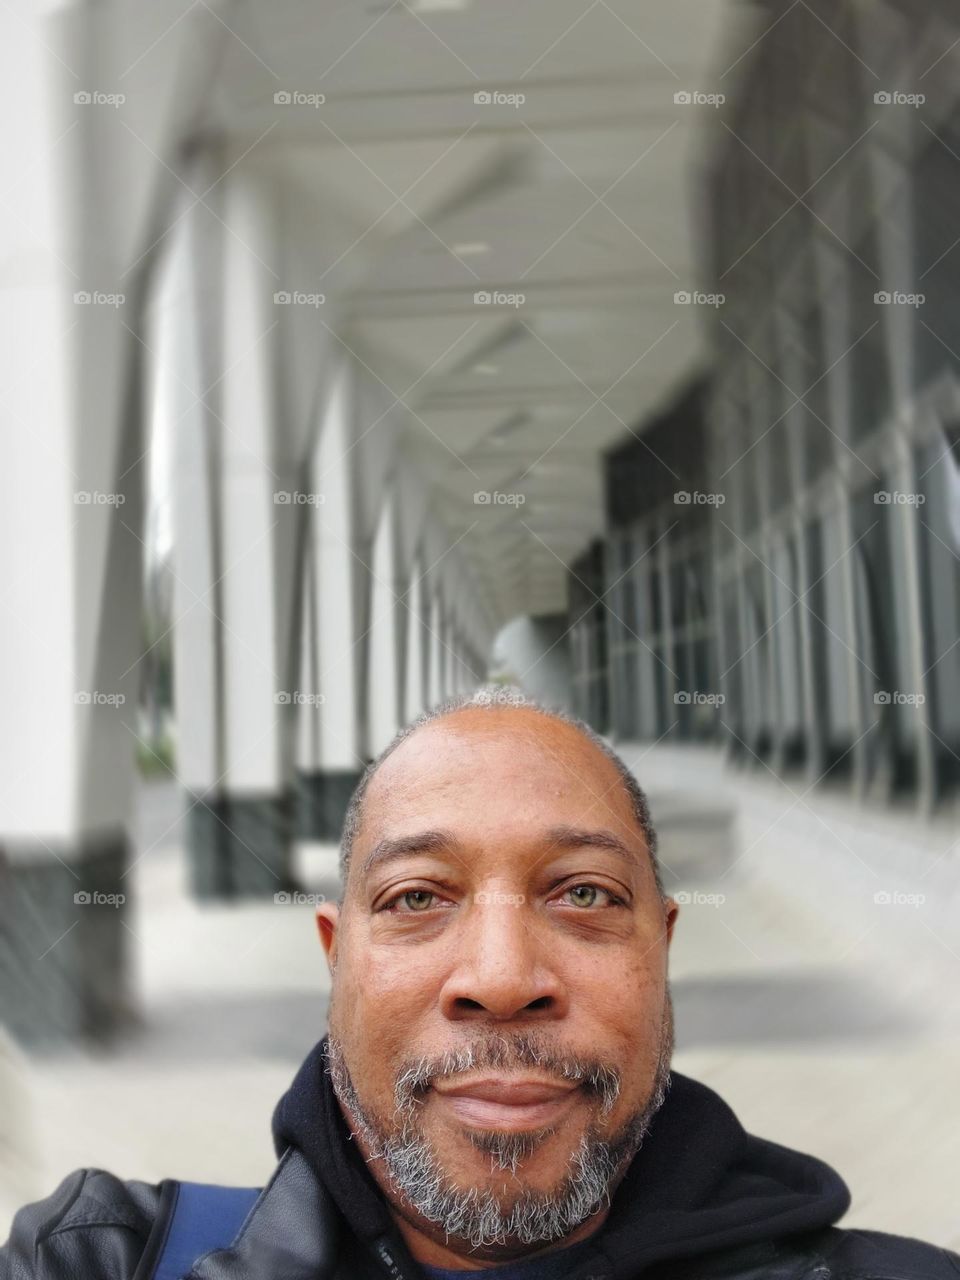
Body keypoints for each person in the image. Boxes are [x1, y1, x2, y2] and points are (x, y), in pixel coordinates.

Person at [2, 690, 958, 1279]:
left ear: (661, 954)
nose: (502, 980)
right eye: (418, 896)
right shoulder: (106, 1258)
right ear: (337, 961)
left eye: (584, 892)